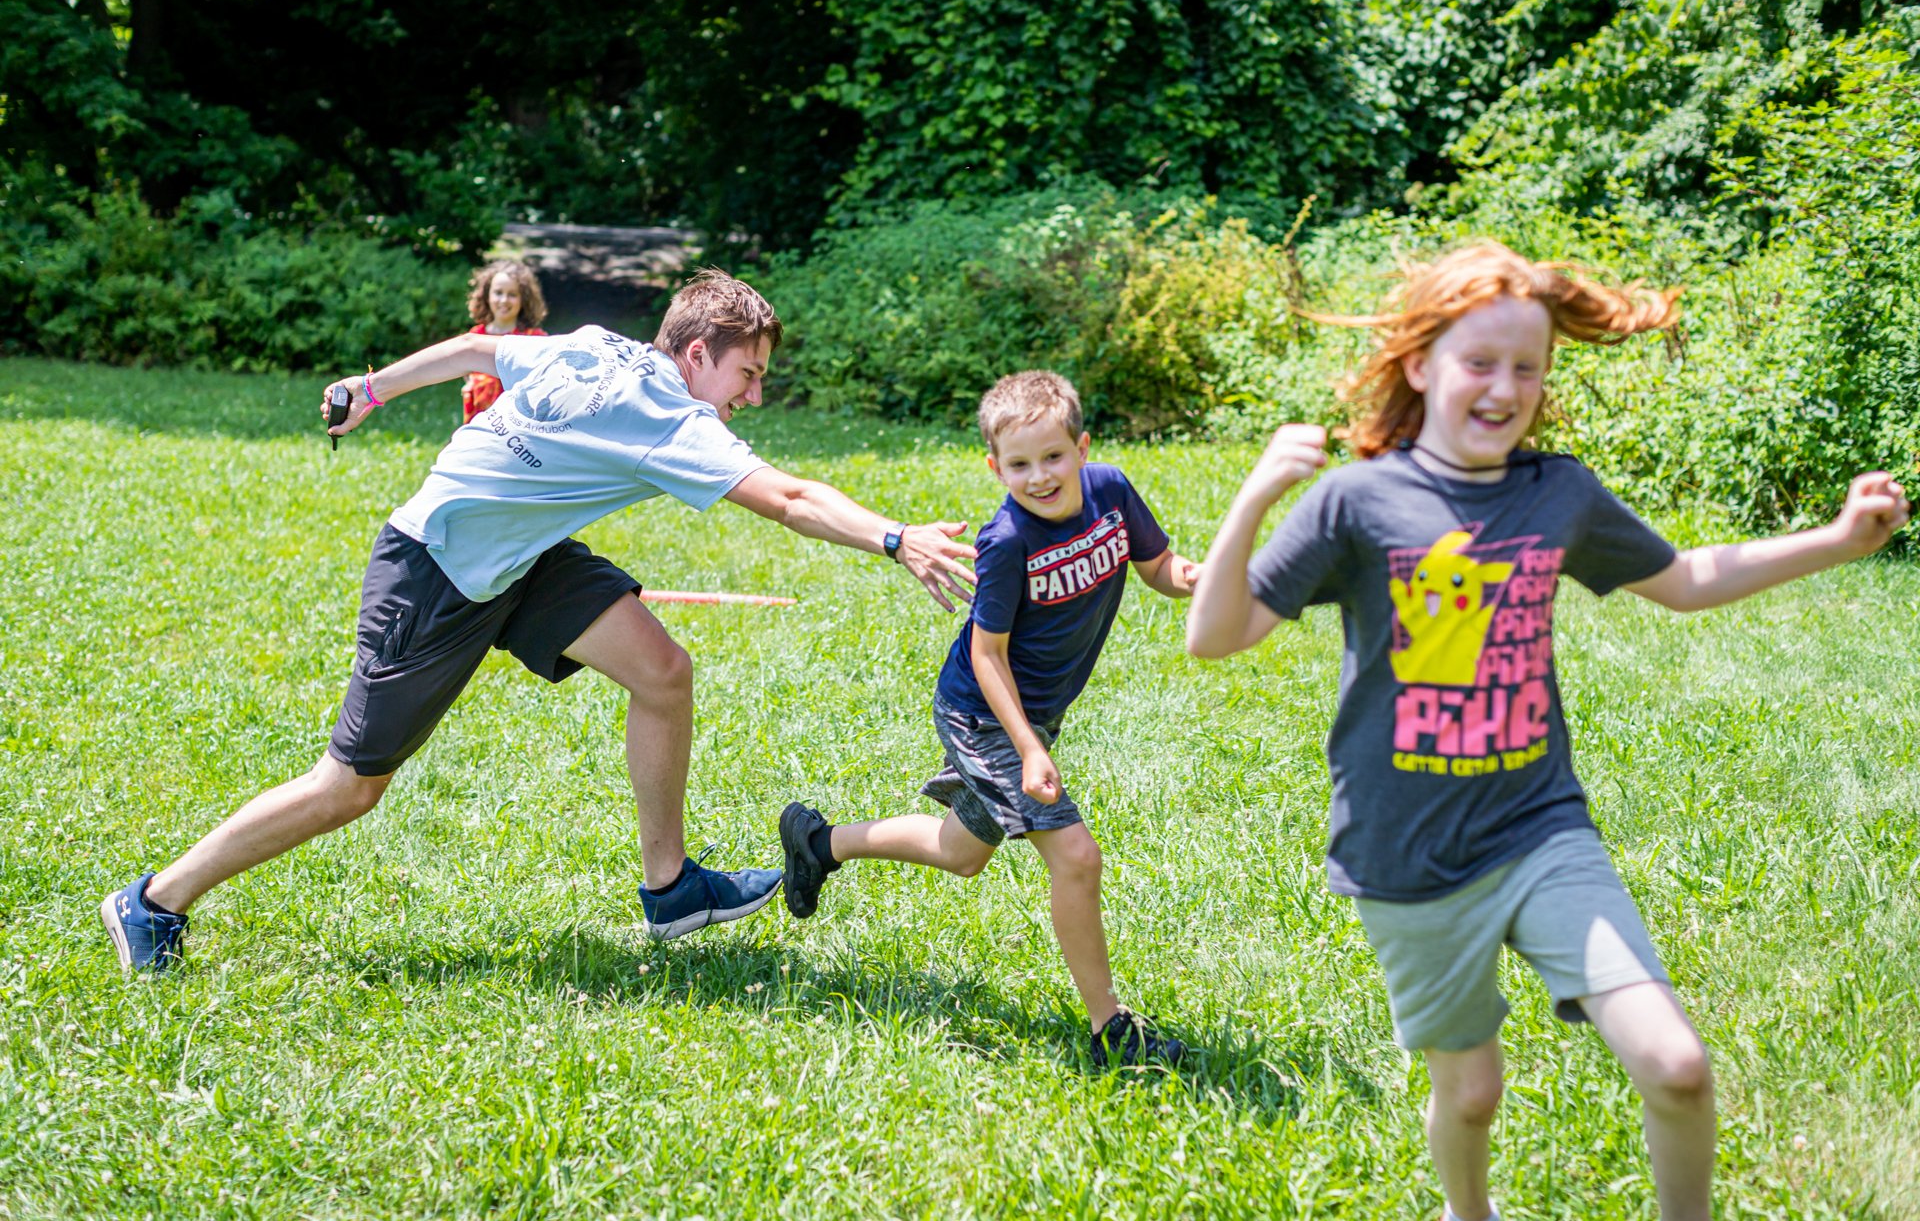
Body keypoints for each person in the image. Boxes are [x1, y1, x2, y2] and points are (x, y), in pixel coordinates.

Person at [1185, 241, 1911, 1220]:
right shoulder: (1357, 502)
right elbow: (1216, 635)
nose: (1505, 387)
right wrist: (1256, 495)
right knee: (1470, 1094)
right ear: (1419, 365)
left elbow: (1686, 581)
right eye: (1479, 362)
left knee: (1679, 1064)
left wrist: (1833, 541)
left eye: (1527, 366)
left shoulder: (1556, 493)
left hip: (1539, 828)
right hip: (1408, 854)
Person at [101, 268, 978, 973]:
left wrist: (374, 387)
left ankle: (671, 890)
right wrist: (895, 539)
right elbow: (786, 496)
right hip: (435, 572)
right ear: (701, 352)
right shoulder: (668, 417)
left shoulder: (595, 347)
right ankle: (152, 901)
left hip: (521, 558)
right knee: (351, 788)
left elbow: (481, 347)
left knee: (664, 673)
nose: (750, 396)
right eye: (748, 375)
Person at [779, 371, 1203, 1068]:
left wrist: (1192, 576)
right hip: (986, 714)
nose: (1039, 476)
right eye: (1019, 465)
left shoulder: (1113, 491)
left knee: (962, 854)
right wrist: (1029, 748)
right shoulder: (1008, 541)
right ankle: (1112, 1031)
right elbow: (987, 655)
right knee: (1077, 856)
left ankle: (820, 844)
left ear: (1083, 447)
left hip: (1030, 717)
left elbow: (1157, 566)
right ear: (994, 467)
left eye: (1053, 457)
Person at [460, 259, 549, 424]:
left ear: (524, 299)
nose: (504, 300)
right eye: (498, 292)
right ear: (487, 295)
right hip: (480, 422)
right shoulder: (476, 337)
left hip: (517, 426)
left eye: (512, 294)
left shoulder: (534, 339)